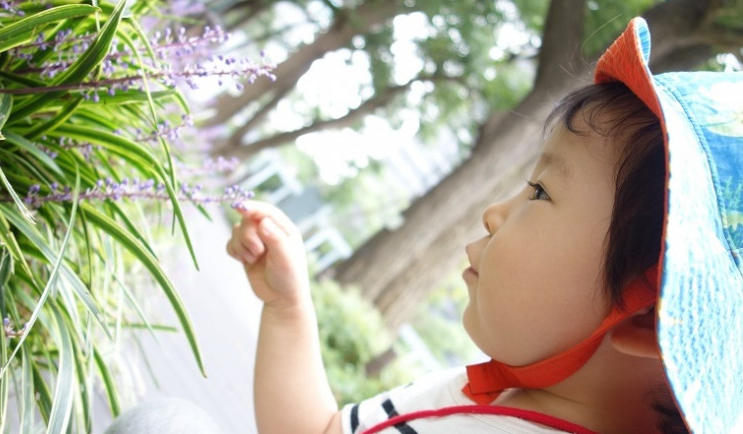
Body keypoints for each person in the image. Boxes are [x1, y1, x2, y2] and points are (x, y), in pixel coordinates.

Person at [226, 18, 743, 434]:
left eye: (540, 192)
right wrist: (288, 309)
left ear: (644, 317)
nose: (493, 214)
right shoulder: (482, 393)